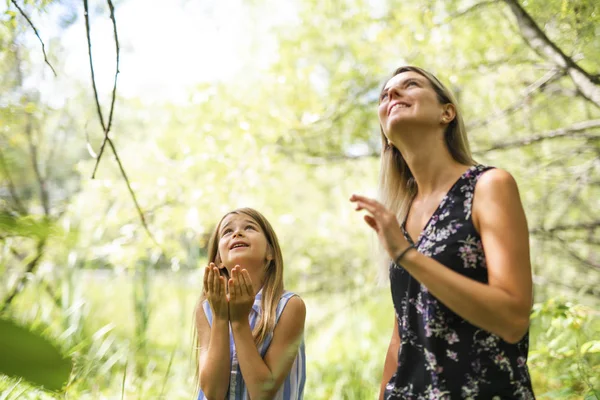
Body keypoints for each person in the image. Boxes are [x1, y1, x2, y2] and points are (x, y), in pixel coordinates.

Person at [350, 66, 535, 399]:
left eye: (410, 85)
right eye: (385, 94)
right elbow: (402, 335)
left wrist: (407, 256)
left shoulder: (488, 186)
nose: (392, 94)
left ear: (446, 112)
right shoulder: (399, 217)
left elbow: (513, 318)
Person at [194, 208, 306, 400]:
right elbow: (213, 393)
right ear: (219, 259)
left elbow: (262, 393)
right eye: (227, 231)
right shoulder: (206, 309)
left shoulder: (289, 307)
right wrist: (221, 317)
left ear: (270, 252)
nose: (237, 233)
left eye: (249, 227)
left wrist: (238, 322)